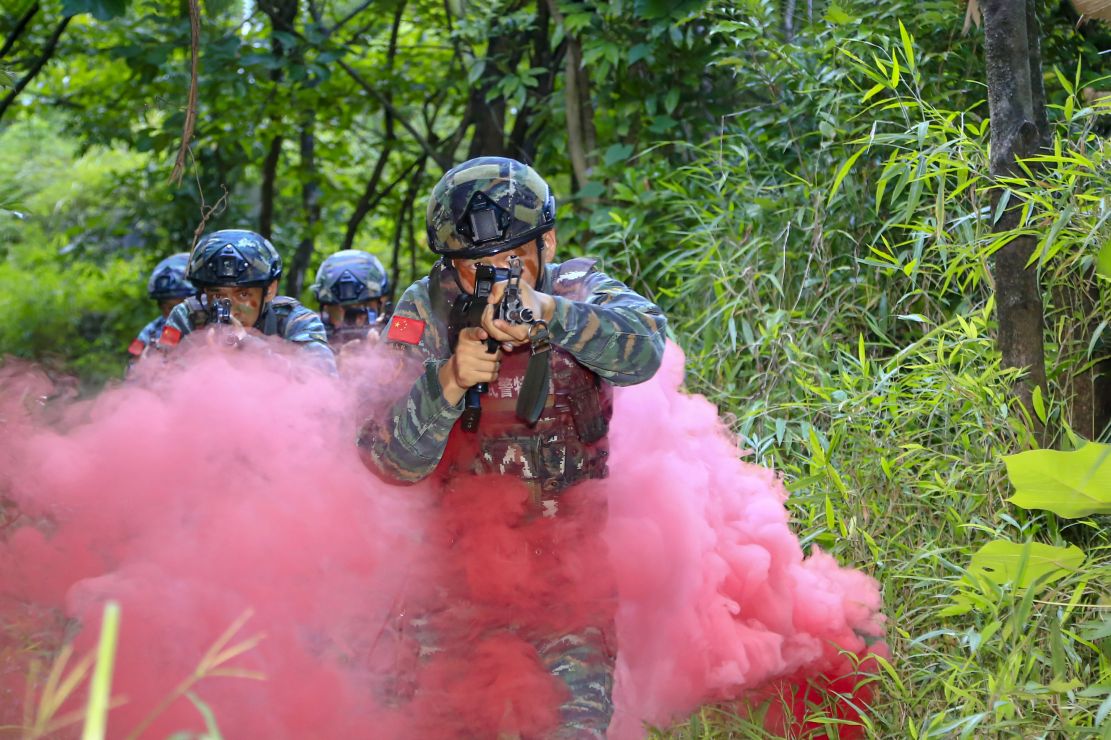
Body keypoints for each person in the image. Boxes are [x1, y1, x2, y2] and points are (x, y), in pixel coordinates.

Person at [357, 157, 666, 736]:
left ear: (547, 241)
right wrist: (448, 381)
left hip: (568, 583)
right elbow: (385, 459)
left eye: (511, 260)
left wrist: (554, 316)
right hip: (451, 583)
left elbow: (647, 349)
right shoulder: (424, 309)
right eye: (475, 267)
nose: (496, 277)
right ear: (450, 265)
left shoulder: (579, 290)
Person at [156, 229, 336, 373]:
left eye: (243, 295)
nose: (231, 310)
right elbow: (153, 382)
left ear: (270, 290)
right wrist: (196, 359)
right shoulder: (188, 317)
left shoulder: (294, 321)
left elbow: (323, 383)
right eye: (217, 295)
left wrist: (254, 350)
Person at [310, 249, 391, 348]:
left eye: (363, 308)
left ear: (381, 303)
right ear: (326, 309)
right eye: (344, 310)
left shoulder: (398, 333)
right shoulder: (312, 334)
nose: (355, 321)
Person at [128, 253, 195, 361]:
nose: (172, 314)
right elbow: (134, 360)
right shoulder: (153, 330)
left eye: (180, 307)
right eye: (167, 307)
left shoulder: (212, 325)